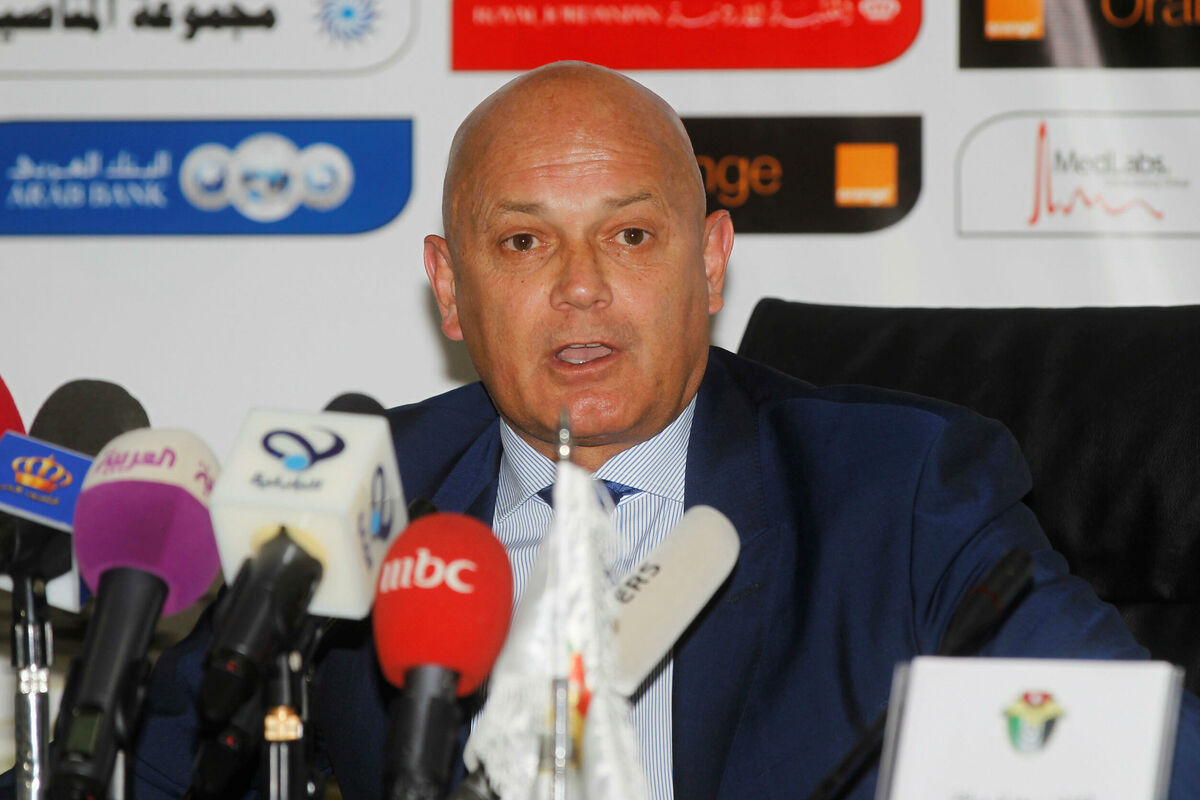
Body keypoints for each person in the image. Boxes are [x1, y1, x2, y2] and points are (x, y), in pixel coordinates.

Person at [116, 61, 1200, 798]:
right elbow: (152, 764)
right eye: (524, 243)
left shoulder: (900, 493)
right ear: (450, 287)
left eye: (630, 235)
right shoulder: (359, 495)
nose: (581, 287)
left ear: (712, 262)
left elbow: (1153, 759)